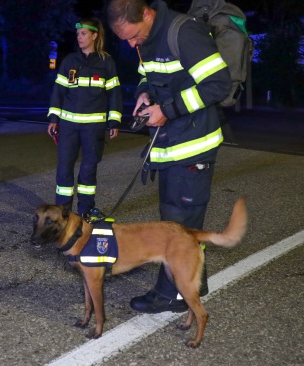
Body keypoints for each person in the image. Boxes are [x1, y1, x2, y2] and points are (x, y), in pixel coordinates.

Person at [106, 0, 231, 313]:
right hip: (170, 145)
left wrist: (168, 109)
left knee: (178, 226)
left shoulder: (184, 32)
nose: (133, 44)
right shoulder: (147, 38)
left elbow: (218, 85)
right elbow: (149, 75)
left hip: (192, 145)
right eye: (126, 41)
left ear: (147, 14)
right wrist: (145, 94)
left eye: (134, 37)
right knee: (178, 225)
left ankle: (171, 296)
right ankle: (192, 285)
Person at [48, 17, 123, 217]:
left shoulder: (106, 62)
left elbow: (114, 93)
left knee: (88, 170)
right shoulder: (70, 61)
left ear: (94, 35)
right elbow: (58, 91)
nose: (79, 38)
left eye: (83, 34)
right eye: (78, 34)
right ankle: (62, 214)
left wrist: (114, 120)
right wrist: (54, 118)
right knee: (64, 170)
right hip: (69, 126)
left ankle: (85, 212)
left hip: (93, 128)